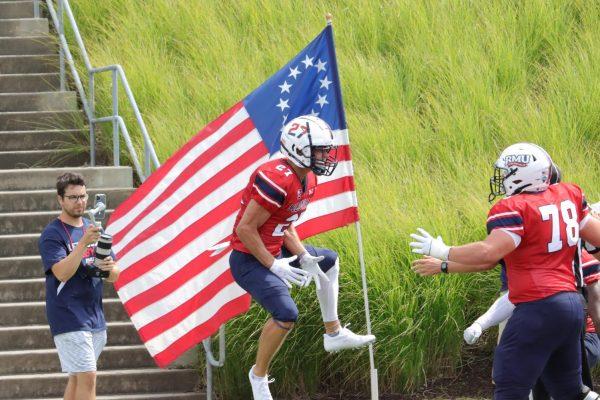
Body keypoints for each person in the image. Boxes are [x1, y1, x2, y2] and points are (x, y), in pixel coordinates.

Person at [409, 143, 600, 399]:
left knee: (510, 388)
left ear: (521, 173)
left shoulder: (513, 208)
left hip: (537, 308)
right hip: (572, 306)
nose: (500, 178)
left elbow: (488, 253)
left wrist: (444, 251)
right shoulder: (569, 195)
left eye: (505, 172)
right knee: (569, 391)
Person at [229, 115, 376, 400]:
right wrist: (274, 266)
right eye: (320, 149)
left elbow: (285, 223)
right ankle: (258, 376)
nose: (325, 155)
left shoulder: (307, 177)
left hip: (276, 250)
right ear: (299, 149)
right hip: (249, 258)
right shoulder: (276, 178)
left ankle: (333, 333)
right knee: (286, 314)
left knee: (328, 261)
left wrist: (304, 255)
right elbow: (244, 229)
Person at [38, 172, 120, 400]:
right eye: (73, 197)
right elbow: (62, 273)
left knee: (77, 379)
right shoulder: (52, 234)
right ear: (60, 199)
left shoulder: (93, 227)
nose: (80, 202)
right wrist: (83, 244)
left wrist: (107, 266)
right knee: (88, 377)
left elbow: (114, 275)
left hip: (94, 314)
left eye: (83, 196)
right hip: (68, 314)